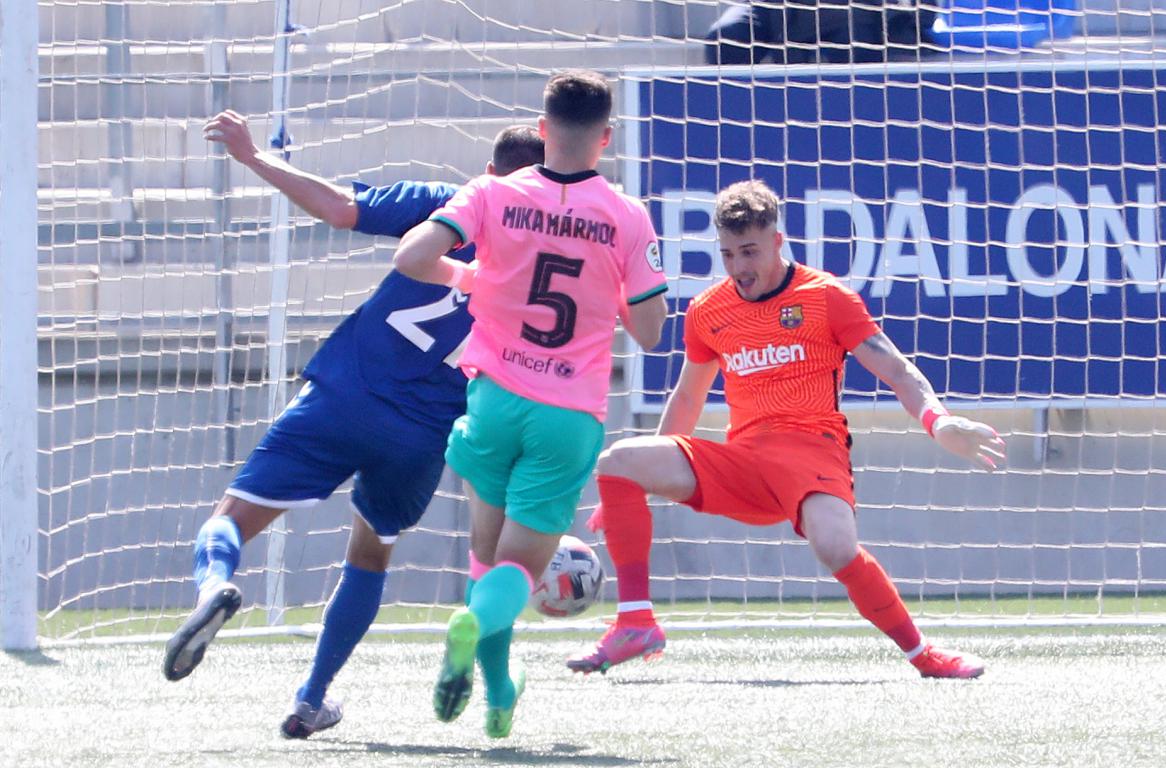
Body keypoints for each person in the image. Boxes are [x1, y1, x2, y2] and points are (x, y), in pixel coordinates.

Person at [160, 110, 544, 739]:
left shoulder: (449, 204)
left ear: (488, 176)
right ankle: (310, 698)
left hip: (345, 395)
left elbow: (340, 208)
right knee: (370, 554)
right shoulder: (552, 258)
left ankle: (214, 587)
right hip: (423, 435)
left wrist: (257, 158)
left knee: (229, 517)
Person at [567, 179, 1004, 679]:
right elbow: (688, 396)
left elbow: (899, 370)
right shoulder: (709, 309)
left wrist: (938, 420)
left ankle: (924, 655)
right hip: (744, 460)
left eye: (749, 251)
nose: (739, 267)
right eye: (728, 254)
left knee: (835, 548)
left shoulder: (826, 297)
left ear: (777, 240)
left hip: (812, 452)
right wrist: (633, 485)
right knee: (617, 462)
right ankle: (635, 622)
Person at [391, 69, 669, 737]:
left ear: (542, 130)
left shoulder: (491, 192)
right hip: (567, 416)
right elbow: (653, 332)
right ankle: (475, 628)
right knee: (516, 571)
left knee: (485, 563)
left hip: (493, 400)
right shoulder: (627, 217)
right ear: (606, 138)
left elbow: (410, 257)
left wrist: (474, 275)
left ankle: (499, 696)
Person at [704, 0, 936, 65]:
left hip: (855, 9)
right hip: (774, 7)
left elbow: (926, 12)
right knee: (725, 42)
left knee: (857, 47)